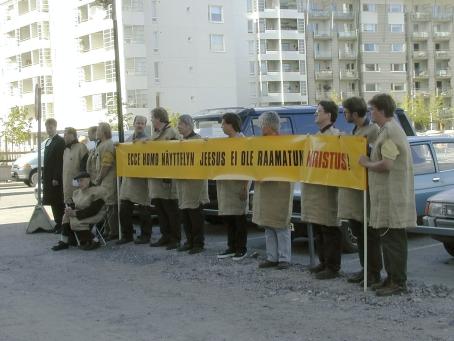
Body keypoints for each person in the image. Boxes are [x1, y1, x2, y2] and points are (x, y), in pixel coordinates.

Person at [359, 93, 416, 296]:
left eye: (372, 109)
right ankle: (391, 278)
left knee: (393, 240)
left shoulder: (390, 131)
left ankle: (398, 282)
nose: (370, 113)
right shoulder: (387, 130)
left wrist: (367, 163)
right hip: (387, 195)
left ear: (382, 110)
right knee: (388, 239)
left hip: (392, 196)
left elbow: (387, 164)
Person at [338, 97, 382, 287]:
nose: (344, 115)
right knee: (359, 232)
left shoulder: (373, 131)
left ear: (355, 114)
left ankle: (374, 272)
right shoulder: (355, 130)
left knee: (369, 233)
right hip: (355, 189)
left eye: (346, 112)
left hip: (367, 190)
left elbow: (374, 155)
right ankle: (365, 268)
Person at [301, 100, 341, 280]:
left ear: (329, 115)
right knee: (318, 226)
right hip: (315, 190)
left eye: (319, 111)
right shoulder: (315, 136)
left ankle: (333, 266)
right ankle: (323, 261)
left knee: (329, 227)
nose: (316, 114)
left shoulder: (336, 136)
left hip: (328, 190)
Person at [252, 111, 293, 270]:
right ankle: (272, 257)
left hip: (279, 188)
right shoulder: (259, 143)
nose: (260, 127)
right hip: (264, 188)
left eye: (262, 124)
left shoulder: (285, 143)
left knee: (281, 224)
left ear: (268, 125)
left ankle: (284, 258)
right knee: (268, 224)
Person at [216, 113, 250, 260]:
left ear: (231, 124)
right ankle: (231, 247)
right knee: (228, 217)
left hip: (238, 185)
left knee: (239, 218)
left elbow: (248, 166)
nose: (222, 126)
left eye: (223, 123)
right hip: (226, 185)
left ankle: (241, 248)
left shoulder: (243, 141)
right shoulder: (225, 142)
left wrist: (244, 187)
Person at [148, 108, 182, 250]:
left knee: (171, 209)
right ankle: (165, 235)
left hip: (168, 178)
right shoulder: (154, 134)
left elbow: (177, 154)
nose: (151, 120)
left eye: (152, 118)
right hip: (156, 178)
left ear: (158, 118)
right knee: (160, 209)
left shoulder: (172, 132)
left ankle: (175, 238)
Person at [175, 115, 210, 254]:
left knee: (195, 215)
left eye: (180, 124)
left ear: (188, 125)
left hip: (195, 185)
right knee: (185, 215)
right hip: (183, 185)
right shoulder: (179, 141)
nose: (178, 127)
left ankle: (198, 243)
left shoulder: (199, 140)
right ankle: (189, 241)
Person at [117, 115, 154, 245]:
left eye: (142, 123)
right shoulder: (127, 140)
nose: (139, 125)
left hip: (141, 182)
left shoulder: (148, 141)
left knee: (144, 210)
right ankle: (127, 235)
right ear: (134, 124)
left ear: (145, 125)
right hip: (128, 182)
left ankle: (145, 235)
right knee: (124, 210)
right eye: (137, 123)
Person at [51, 171, 106, 251]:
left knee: (76, 221)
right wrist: (70, 209)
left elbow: (93, 210)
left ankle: (95, 241)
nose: (80, 183)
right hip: (82, 213)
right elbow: (76, 205)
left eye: (82, 180)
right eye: (78, 181)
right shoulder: (77, 192)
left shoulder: (98, 191)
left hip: (96, 214)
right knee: (66, 216)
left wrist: (75, 213)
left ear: (88, 180)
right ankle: (64, 242)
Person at [94, 122, 118, 240]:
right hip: (104, 181)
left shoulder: (107, 145)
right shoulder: (102, 144)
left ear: (103, 132)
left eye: (98, 129)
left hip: (108, 180)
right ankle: (108, 230)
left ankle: (113, 232)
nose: (96, 132)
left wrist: (99, 178)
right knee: (106, 206)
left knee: (110, 206)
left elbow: (106, 164)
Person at [42, 118, 65, 234]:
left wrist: (56, 177)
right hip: (48, 176)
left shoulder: (60, 141)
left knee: (57, 201)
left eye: (50, 127)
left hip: (55, 177)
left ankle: (61, 224)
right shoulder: (48, 141)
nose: (48, 130)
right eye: (47, 127)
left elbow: (59, 161)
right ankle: (57, 223)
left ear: (55, 127)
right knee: (52, 200)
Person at [62, 127, 88, 205]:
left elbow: (85, 168)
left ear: (72, 135)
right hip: (67, 189)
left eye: (65, 134)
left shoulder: (81, 147)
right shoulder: (66, 150)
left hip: (78, 189)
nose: (64, 137)